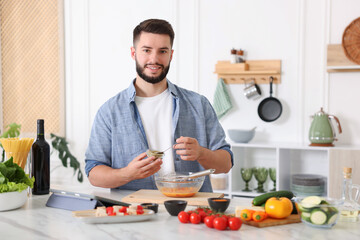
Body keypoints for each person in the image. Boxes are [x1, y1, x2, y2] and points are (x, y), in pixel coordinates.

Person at [85, 19, 233, 192]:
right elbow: (93, 172)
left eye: (162, 51)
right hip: (135, 212)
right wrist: (128, 173)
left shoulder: (199, 104)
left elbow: (226, 164)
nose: (154, 59)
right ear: (133, 53)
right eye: (146, 50)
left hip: (191, 213)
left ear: (171, 55)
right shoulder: (109, 111)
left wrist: (201, 153)